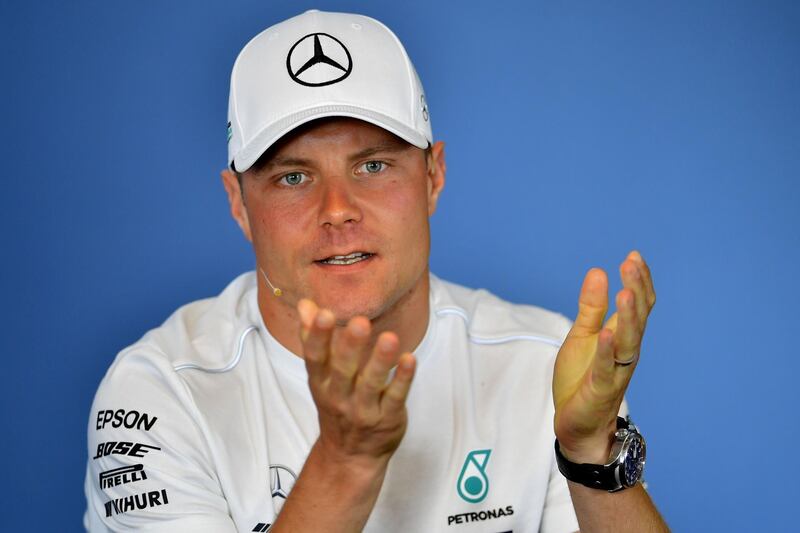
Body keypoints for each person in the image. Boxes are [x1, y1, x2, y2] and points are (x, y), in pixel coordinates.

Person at [84, 9, 669, 532]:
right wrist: (346, 461)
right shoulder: (159, 395)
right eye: (293, 176)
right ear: (238, 203)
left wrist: (592, 453)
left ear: (433, 176)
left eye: (373, 165)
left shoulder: (542, 364)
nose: (337, 209)